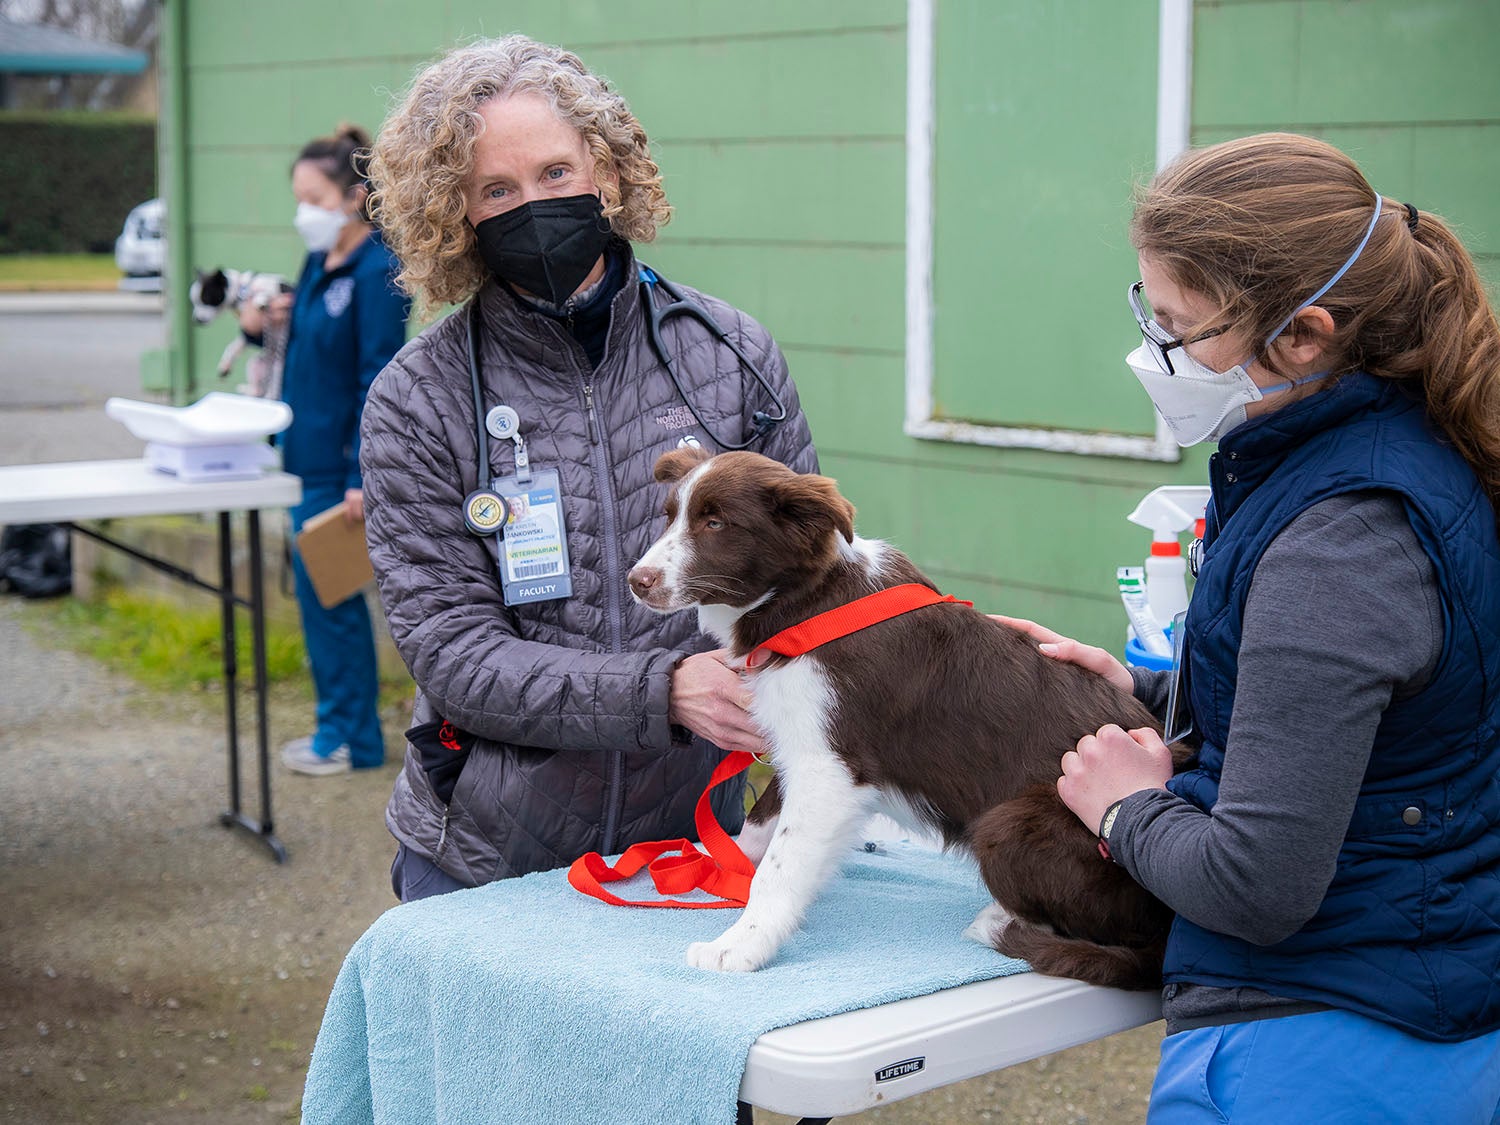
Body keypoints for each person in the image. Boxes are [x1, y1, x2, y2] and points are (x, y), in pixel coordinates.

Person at [1002, 133, 1500, 1121]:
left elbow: (1256, 887)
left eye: (1180, 328)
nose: (1156, 351)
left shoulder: (1342, 537)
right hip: (1425, 1001)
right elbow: (1383, 735)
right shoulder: (1399, 448)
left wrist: (1124, 809)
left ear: (1305, 336)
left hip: (1320, 1044)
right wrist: (1138, 692)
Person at [359, 36, 816, 901]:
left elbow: (810, 588)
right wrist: (665, 689)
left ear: (605, 170)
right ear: (454, 213)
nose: (533, 205)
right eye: (497, 190)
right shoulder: (417, 398)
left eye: (555, 172)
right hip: (487, 861)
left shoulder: (733, 355)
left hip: (691, 852)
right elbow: (454, 654)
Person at [240, 125, 411, 776]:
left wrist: (360, 473)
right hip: (301, 453)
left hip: (340, 469)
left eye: (313, 197)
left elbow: (378, 376)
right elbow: (306, 346)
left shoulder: (377, 270)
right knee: (317, 601)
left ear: (351, 197)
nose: (302, 211)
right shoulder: (319, 261)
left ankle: (352, 738)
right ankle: (337, 729)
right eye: (298, 197)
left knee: (334, 601)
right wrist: (264, 326)